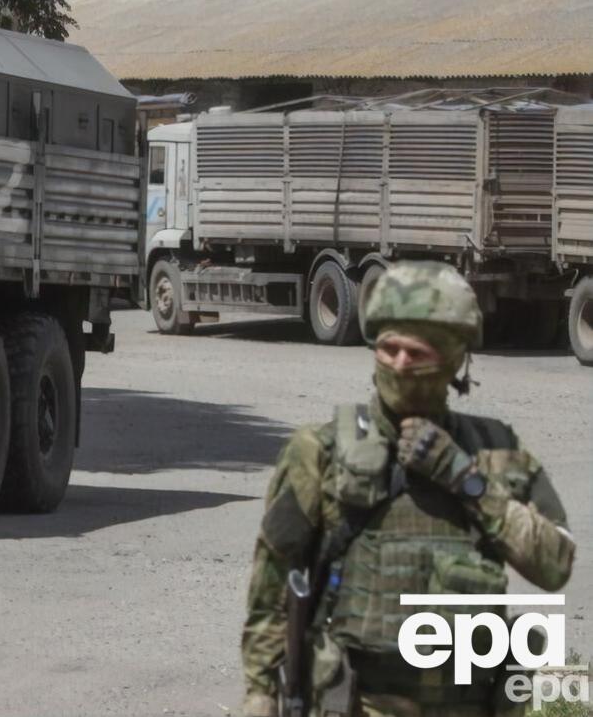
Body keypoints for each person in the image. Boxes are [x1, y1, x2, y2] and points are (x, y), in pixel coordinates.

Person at [240, 261, 575, 717]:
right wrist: (260, 691)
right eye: (388, 348)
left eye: (417, 353)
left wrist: (465, 479)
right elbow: (273, 583)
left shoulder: (496, 451)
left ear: (456, 359)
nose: (399, 364)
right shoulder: (321, 451)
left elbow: (555, 564)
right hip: (356, 703)